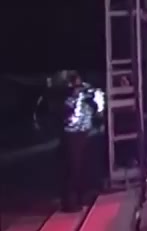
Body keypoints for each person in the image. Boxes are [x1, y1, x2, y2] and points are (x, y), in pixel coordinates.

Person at [38, 70, 104, 211]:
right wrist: (75, 98)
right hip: (71, 134)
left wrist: (95, 105)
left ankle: (81, 197)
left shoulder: (87, 91)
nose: (77, 85)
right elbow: (64, 113)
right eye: (74, 82)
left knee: (83, 166)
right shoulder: (64, 94)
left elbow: (97, 107)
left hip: (84, 132)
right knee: (72, 168)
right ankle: (70, 202)